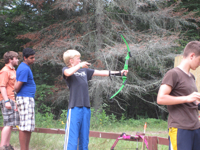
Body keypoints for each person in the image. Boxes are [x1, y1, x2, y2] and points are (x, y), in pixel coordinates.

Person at [62, 49, 128, 150]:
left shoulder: (84, 71)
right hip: (75, 108)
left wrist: (120, 73)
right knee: (72, 139)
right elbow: (68, 73)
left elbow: (102, 72)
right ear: (71, 60)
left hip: (86, 108)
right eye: (78, 59)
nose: (80, 60)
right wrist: (79, 66)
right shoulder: (66, 69)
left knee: (84, 139)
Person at [157, 41, 200, 150]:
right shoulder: (173, 74)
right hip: (180, 129)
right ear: (192, 56)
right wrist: (187, 98)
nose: (199, 64)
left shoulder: (191, 77)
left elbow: (189, 101)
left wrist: (196, 102)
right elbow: (161, 98)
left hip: (195, 128)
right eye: (199, 60)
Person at [14, 48, 36, 150]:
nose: (33, 59)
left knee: (29, 126)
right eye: (31, 58)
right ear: (25, 58)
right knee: (24, 126)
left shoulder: (25, 67)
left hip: (28, 98)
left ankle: (26, 148)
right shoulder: (24, 68)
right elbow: (17, 88)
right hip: (25, 98)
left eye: (34, 57)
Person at [0, 51, 20, 150]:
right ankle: (2, 146)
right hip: (7, 100)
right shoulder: (5, 71)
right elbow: (2, 87)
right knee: (7, 124)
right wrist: (6, 101)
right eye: (16, 58)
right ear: (10, 60)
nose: (17, 60)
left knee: (11, 124)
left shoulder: (13, 70)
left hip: (13, 99)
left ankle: (7, 146)